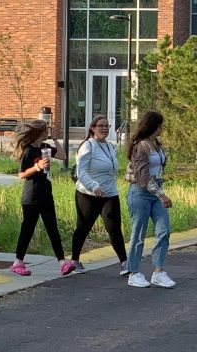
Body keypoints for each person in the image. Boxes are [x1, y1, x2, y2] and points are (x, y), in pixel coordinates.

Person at [8, 118, 76, 276]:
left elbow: (62, 156)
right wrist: (37, 167)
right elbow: (21, 174)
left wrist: (54, 139)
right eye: (46, 131)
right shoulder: (28, 150)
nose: (47, 133)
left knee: (52, 228)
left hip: (46, 193)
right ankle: (18, 262)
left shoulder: (45, 147)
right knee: (28, 229)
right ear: (39, 132)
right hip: (31, 196)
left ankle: (62, 263)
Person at [124, 110, 176, 288]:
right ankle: (134, 272)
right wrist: (161, 194)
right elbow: (143, 176)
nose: (162, 128)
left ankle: (159, 271)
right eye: (160, 125)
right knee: (138, 233)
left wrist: (159, 191)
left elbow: (159, 169)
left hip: (156, 191)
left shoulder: (157, 145)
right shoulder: (140, 146)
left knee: (164, 230)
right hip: (140, 192)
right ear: (153, 126)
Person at [70, 114, 127, 275]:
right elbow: (81, 172)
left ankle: (124, 262)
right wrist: (94, 186)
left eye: (107, 126)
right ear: (93, 128)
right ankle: (74, 260)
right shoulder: (87, 146)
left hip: (109, 193)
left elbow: (111, 170)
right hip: (88, 194)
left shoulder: (110, 147)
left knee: (114, 228)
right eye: (100, 126)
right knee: (83, 227)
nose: (104, 129)